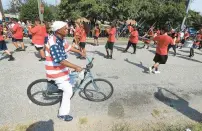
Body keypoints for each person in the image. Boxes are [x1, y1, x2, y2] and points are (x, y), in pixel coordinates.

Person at [45, 21, 84, 121]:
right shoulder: (53, 43)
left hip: (62, 69)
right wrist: (76, 66)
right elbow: (60, 60)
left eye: (68, 28)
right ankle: (62, 114)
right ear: (58, 30)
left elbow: (69, 47)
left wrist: (79, 51)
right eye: (65, 28)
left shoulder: (61, 38)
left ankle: (61, 87)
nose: (68, 30)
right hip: (56, 71)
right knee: (68, 91)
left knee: (74, 77)